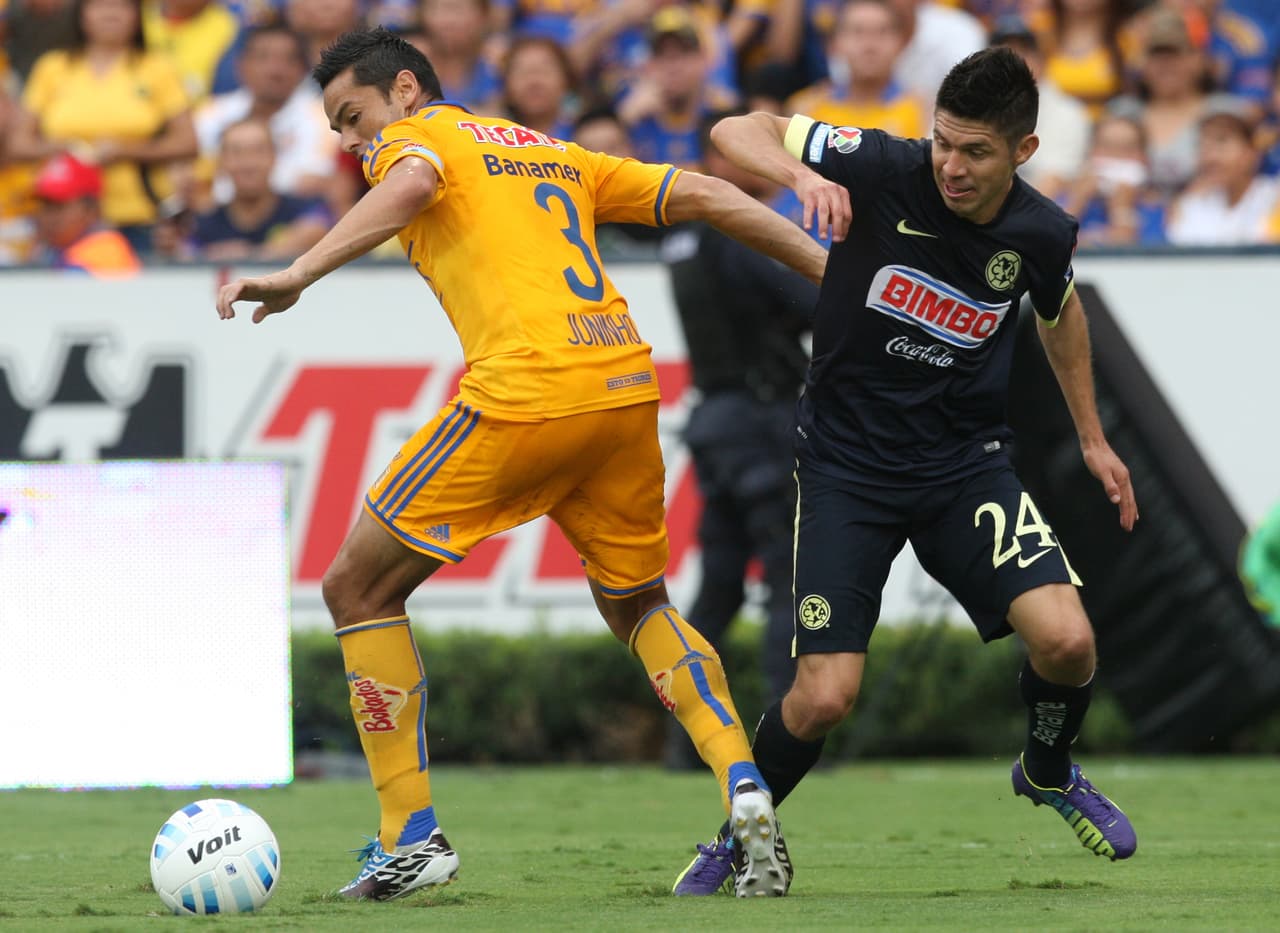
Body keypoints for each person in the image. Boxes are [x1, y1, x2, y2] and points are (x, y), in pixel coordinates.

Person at [216, 25, 830, 902]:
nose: (353, 143)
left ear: (403, 91)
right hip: (623, 386)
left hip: (527, 393)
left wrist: (299, 272)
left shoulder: (417, 138)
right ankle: (743, 781)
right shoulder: (550, 151)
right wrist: (829, 273)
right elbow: (701, 192)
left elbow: (415, 181)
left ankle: (410, 835)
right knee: (641, 604)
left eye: (353, 117)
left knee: (356, 587)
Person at [671, 46, 1140, 897]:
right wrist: (795, 175)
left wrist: (1094, 437)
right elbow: (735, 127)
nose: (952, 167)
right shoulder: (883, 164)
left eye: (976, 152)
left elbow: (1059, 311)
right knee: (823, 697)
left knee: (1069, 642)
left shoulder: (1040, 230)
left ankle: (1046, 766)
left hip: (966, 467)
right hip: (847, 467)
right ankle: (739, 837)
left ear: (1023, 153)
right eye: (944, 144)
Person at [660, 110, 816, 773]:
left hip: (716, 421)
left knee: (719, 585)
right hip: (761, 421)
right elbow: (814, 303)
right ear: (714, 164)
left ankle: (685, 743)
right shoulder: (741, 237)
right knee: (787, 576)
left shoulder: (685, 240)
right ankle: (790, 729)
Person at [8, 0, 198, 254]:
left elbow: (188, 142)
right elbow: (19, 144)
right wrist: (65, 148)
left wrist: (125, 151)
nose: (110, 13)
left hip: (138, 215)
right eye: (99, 5)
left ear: (137, 15)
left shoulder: (156, 67)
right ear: (81, 14)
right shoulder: (52, 67)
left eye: (122, 6)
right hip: (64, 220)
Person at [188, 117, 332, 259]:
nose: (248, 163)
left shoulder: (303, 208)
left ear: (274, 157)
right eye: (236, 153)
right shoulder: (205, 222)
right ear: (221, 162)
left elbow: (320, 231)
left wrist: (249, 254)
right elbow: (186, 254)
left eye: (258, 151)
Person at [785, 0, 927, 142]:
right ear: (834, 43)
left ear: (902, 42)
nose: (869, 45)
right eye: (857, 32)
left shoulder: (924, 111)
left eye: (882, 31)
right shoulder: (805, 110)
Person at [1166, 93, 1280, 244]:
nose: (1210, 157)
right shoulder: (1189, 206)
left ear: (1251, 153)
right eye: (1202, 144)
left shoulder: (1274, 197)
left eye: (1222, 142)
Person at [30, 152, 141, 275]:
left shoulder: (105, 249)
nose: (47, 217)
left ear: (91, 210)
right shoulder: (52, 249)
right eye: (45, 206)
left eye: (58, 206)